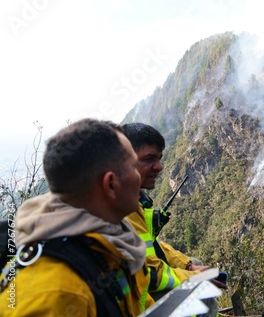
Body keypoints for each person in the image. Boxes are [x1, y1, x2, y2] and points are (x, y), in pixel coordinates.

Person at [0, 119, 154, 316]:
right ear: (111, 184)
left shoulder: (113, 244)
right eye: (133, 166)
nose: (139, 176)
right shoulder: (57, 294)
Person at [122, 122, 227, 300]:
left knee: (196, 263)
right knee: (201, 292)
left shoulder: (135, 199)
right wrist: (196, 278)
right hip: (131, 296)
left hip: (139, 285)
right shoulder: (121, 205)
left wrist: (187, 266)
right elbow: (150, 275)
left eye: (159, 159)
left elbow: (153, 245)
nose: (159, 167)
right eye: (149, 159)